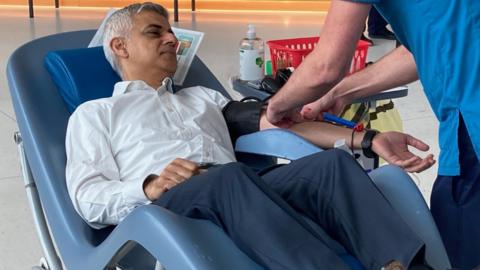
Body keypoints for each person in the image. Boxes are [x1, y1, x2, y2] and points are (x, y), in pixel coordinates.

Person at [66, 3, 434, 269]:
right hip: (169, 210)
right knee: (227, 176)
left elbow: (283, 123)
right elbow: (88, 197)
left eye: (172, 32)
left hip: (240, 192)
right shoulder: (96, 114)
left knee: (330, 166)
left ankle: (399, 265)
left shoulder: (202, 97)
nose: (171, 39)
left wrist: (366, 138)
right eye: (155, 32)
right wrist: (149, 186)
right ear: (119, 46)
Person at [266, 1, 480, 269]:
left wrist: (274, 107)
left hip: (472, 118)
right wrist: (339, 94)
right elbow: (425, 48)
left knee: (456, 239)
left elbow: (325, 67)